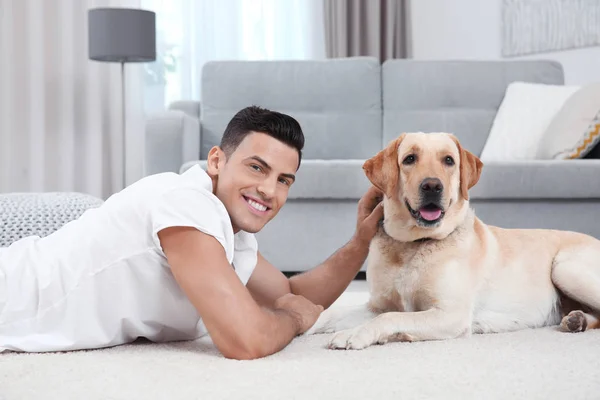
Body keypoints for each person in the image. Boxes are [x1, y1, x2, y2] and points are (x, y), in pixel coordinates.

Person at [0, 106, 383, 360]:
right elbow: (245, 339)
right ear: (216, 160)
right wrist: (295, 321)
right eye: (256, 168)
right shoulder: (186, 204)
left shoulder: (235, 235)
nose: (269, 190)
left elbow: (292, 295)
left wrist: (361, 241)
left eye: (284, 179)